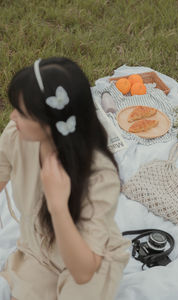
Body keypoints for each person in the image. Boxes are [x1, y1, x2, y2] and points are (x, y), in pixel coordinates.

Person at [0, 57, 130, 300]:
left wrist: (57, 205)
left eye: (22, 113)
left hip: (86, 259)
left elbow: (83, 272)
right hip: (38, 249)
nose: (12, 118)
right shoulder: (15, 137)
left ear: (50, 123)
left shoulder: (100, 176)